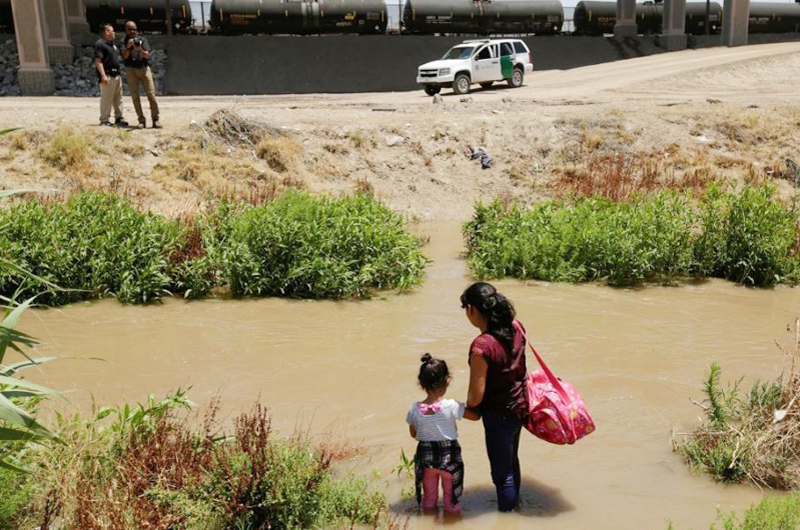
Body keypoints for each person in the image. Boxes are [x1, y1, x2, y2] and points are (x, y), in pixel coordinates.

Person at [461, 282, 528, 512]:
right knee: (512, 461)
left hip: (498, 414)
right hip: (520, 406)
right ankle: (516, 507)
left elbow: (475, 397)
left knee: (502, 475)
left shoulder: (482, 345)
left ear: (471, 309)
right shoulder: (517, 327)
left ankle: (508, 519)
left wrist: (462, 407)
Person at [406, 353, 479, 515]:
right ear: (448, 381)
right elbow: (475, 417)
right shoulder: (451, 406)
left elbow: (413, 433)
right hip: (450, 460)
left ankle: (428, 522)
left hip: (426, 461)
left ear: (421, 383)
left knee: (429, 500)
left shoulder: (413, 409)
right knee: (452, 500)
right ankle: (452, 522)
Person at [122, 21, 161, 129]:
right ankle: (141, 120)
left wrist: (139, 49)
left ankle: (155, 119)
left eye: (134, 29)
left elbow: (147, 55)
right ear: (126, 30)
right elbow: (124, 57)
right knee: (135, 96)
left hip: (144, 68)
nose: (132, 32)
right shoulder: (123, 41)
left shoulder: (142, 40)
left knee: (151, 95)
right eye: (130, 29)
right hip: (131, 70)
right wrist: (128, 47)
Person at [94, 24, 128, 127]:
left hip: (116, 74)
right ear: (106, 32)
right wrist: (103, 75)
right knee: (106, 98)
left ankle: (119, 117)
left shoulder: (113, 44)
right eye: (112, 31)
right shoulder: (100, 44)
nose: (114, 33)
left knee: (118, 98)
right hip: (108, 75)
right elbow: (98, 61)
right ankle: (104, 119)